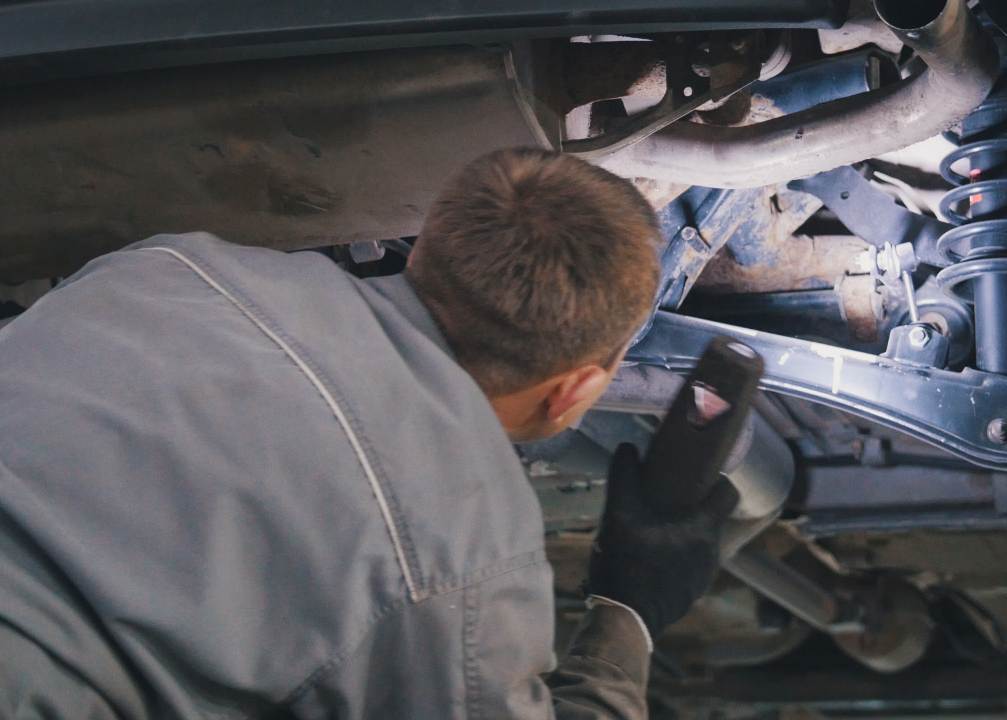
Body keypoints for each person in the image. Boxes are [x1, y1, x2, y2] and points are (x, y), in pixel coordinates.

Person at [0, 148, 740, 719]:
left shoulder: (168, 266)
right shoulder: (453, 562)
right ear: (577, 389)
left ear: (421, 254)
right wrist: (629, 612)